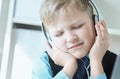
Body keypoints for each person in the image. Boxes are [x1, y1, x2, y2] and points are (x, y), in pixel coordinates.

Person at [32, 0, 117, 79]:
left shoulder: (116, 63)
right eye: (59, 34)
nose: (70, 39)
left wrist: (96, 61)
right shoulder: (44, 64)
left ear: (95, 22)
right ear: (49, 38)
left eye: (77, 26)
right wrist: (69, 67)